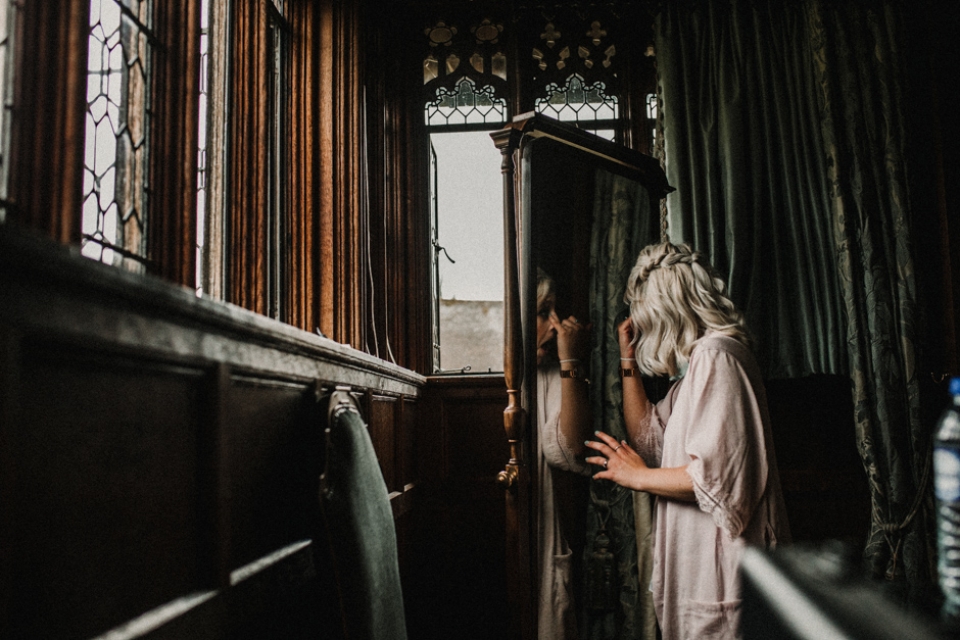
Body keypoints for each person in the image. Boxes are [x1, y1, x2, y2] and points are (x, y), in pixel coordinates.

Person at [584, 242, 790, 640]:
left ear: (665, 311)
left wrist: (639, 478)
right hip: (703, 571)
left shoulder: (718, 357)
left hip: (726, 575)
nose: (642, 328)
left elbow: (715, 480)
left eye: (645, 316)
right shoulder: (698, 369)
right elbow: (648, 440)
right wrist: (626, 359)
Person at [535, 268, 592, 640]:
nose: (555, 325)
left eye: (556, 312)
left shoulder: (554, 374)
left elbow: (569, 451)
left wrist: (570, 363)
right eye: (544, 312)